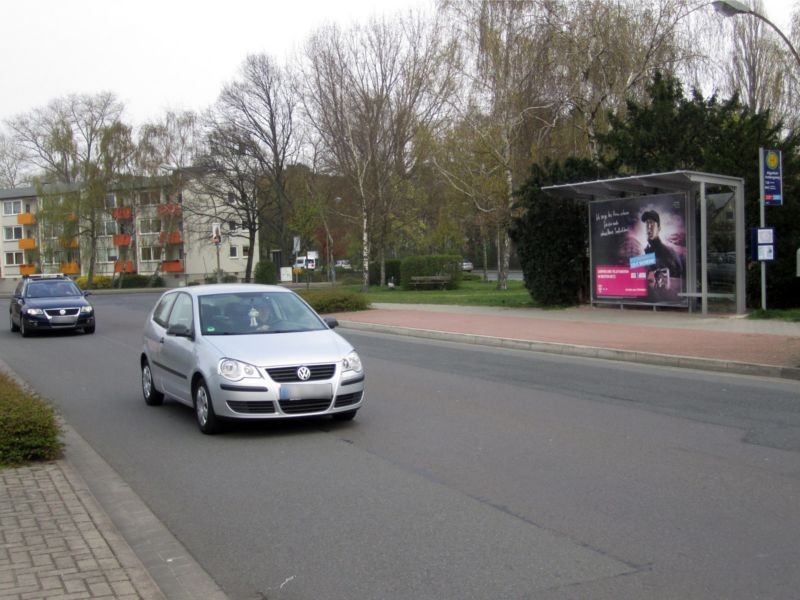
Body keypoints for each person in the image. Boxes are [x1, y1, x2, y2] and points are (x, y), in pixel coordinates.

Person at [640, 209, 683, 295]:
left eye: (652, 223)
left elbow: (676, 278)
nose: (649, 226)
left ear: (659, 228)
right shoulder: (646, 251)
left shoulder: (667, 252)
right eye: (647, 223)